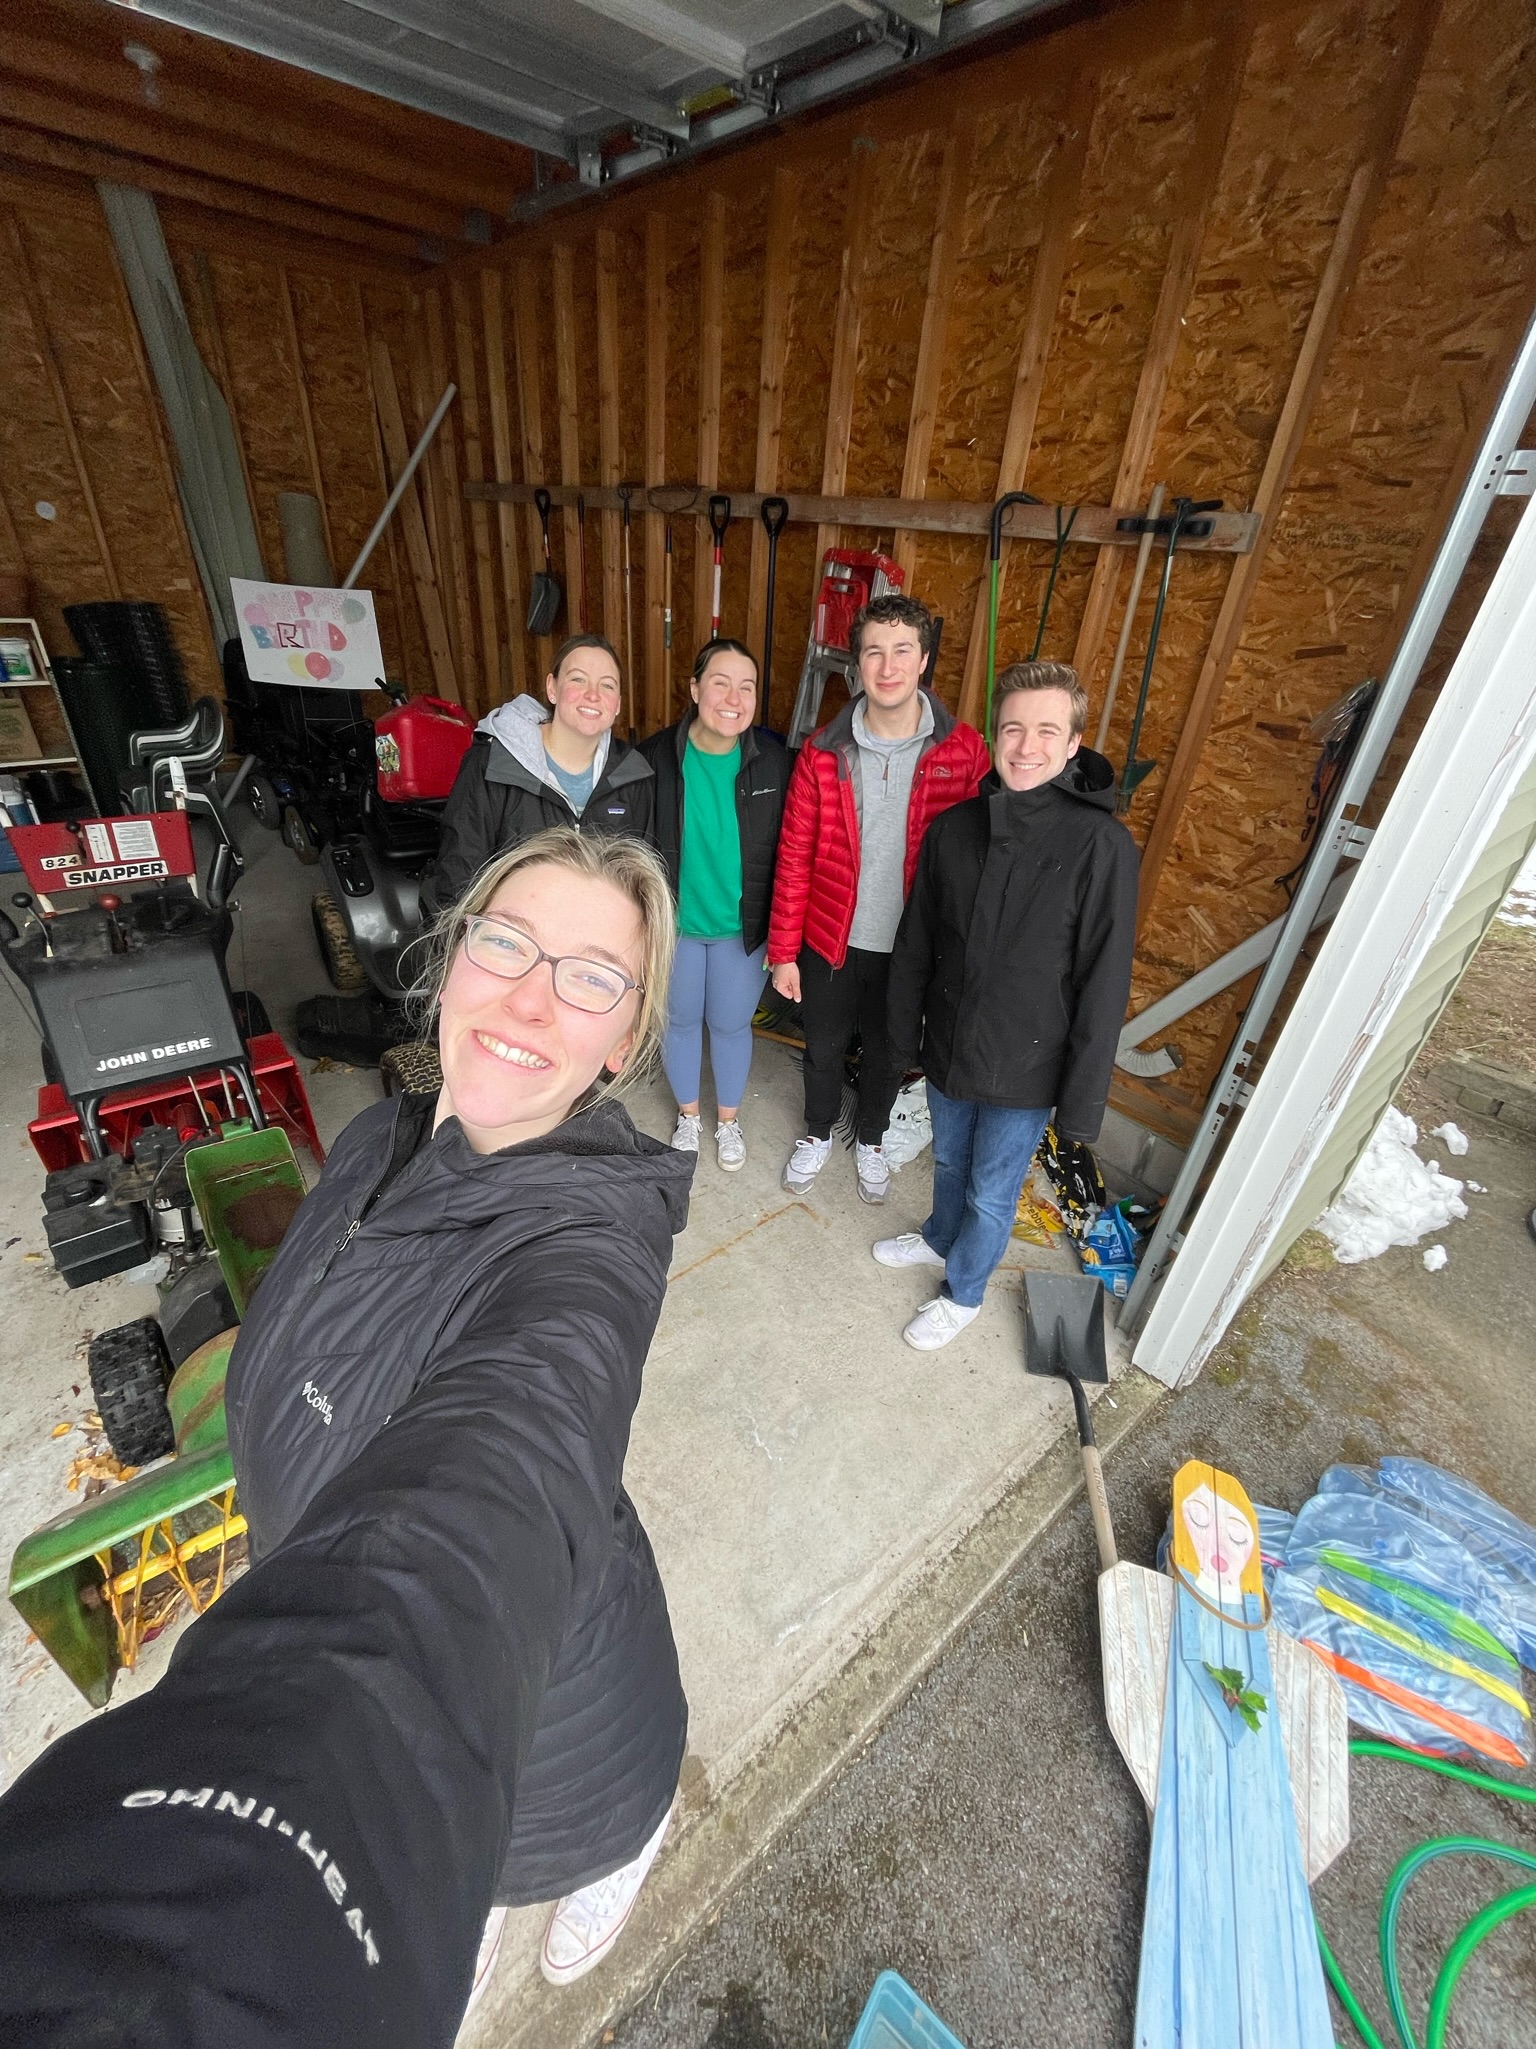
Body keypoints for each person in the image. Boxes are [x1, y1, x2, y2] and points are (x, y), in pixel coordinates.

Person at [0, 829, 693, 2046]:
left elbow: (507, 1459)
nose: (530, 995)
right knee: (462, 1879)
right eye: (508, 941)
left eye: (591, 976)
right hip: (403, 1665)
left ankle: (625, 1855)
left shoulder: (589, 1254)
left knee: (554, 1840)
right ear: (454, 953)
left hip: (555, 1719)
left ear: (623, 1041)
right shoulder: (382, 1137)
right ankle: (475, 1908)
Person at [880, 661, 1138, 1349]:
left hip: (1027, 1064)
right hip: (951, 1043)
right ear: (996, 735)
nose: (1026, 745)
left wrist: (1080, 1104)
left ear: (1074, 742)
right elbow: (916, 940)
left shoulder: (1101, 845)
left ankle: (962, 1292)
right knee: (949, 1165)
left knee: (992, 1192)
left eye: (1046, 730)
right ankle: (939, 1237)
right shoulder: (956, 828)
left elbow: (1104, 981)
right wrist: (904, 1035)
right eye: (1014, 728)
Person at [765, 595, 990, 1204]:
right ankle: (816, 1133)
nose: (887, 666)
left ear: (923, 661)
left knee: (892, 1052)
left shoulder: (962, 752)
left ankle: (870, 1137)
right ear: (856, 664)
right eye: (873, 652)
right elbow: (794, 856)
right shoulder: (822, 751)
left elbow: (980, 860)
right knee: (824, 1046)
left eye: (901, 651)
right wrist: (784, 952)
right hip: (831, 936)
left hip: (912, 947)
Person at [641, 638, 790, 1171]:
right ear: (695, 688)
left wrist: (785, 938)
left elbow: (792, 853)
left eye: (746, 686)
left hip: (739, 929)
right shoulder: (655, 757)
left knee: (730, 1024)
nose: (733, 697)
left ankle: (728, 1122)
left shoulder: (773, 762)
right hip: (676, 925)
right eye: (720, 682)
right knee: (679, 1021)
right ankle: (688, 1117)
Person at [423, 633, 654, 916]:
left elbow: (638, 884)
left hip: (592, 946)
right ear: (552, 688)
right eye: (578, 679)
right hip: (515, 944)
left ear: (617, 704)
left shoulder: (632, 775)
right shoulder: (493, 763)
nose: (593, 694)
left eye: (607, 685)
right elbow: (459, 877)